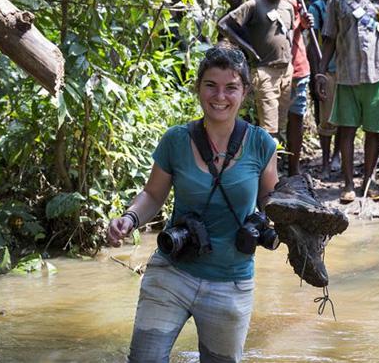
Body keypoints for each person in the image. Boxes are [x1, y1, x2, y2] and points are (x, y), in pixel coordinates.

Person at [107, 46, 279, 362]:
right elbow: (153, 195)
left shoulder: (261, 144)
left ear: (245, 92)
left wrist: (291, 225)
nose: (220, 96)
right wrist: (129, 218)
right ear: (198, 88)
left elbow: (272, 202)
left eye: (231, 87)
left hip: (232, 282)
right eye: (211, 85)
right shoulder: (176, 140)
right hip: (172, 273)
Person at [316, 0, 379, 203]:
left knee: (375, 130)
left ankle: (368, 181)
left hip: (376, 73)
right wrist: (321, 72)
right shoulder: (337, 0)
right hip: (346, 75)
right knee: (347, 129)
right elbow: (330, 39)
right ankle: (348, 183)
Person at [219, 0, 296, 140]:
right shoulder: (254, 5)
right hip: (265, 71)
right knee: (269, 127)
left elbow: (290, 31)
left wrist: (289, 55)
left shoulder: (287, 7)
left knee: (281, 125)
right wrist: (249, 49)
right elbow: (222, 25)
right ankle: (268, 164)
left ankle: (275, 162)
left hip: (286, 71)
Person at [307, 0, 349, 179]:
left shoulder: (347, 3)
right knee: (327, 119)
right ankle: (325, 163)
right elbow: (313, 46)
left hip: (348, 68)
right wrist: (318, 74)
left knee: (344, 117)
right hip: (329, 70)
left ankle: (336, 156)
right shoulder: (317, 8)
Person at [282, 0, 316, 176]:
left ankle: (294, 172)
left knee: (296, 117)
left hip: (297, 62)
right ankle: (271, 172)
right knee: (272, 123)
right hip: (271, 65)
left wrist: (303, 24)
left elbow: (298, 22)